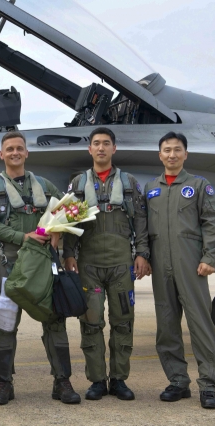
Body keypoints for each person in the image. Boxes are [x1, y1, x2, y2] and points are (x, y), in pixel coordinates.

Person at [0, 131, 81, 405]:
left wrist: (60, 233)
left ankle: (62, 382)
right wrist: (22, 237)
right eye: (9, 149)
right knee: (5, 325)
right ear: (2, 154)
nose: (15, 152)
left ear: (26, 153)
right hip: (9, 266)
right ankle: (4, 384)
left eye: (19, 148)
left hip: (43, 266)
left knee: (54, 321)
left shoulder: (45, 186)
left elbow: (69, 212)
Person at [63, 127, 150, 401]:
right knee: (91, 323)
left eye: (106, 144)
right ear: (89, 149)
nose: (101, 148)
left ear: (114, 149)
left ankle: (120, 380)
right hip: (89, 266)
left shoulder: (128, 182)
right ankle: (98, 380)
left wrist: (142, 254)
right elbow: (68, 223)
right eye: (96, 144)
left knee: (123, 323)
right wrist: (69, 254)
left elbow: (140, 222)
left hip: (121, 266)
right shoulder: (77, 184)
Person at [144, 131, 215, 409]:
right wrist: (143, 256)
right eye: (166, 150)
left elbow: (212, 221)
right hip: (160, 262)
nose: (172, 155)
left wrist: (210, 256)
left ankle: (208, 385)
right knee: (166, 325)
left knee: (200, 323)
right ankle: (178, 381)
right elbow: (143, 228)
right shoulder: (150, 188)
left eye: (177, 150)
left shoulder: (199, 185)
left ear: (185, 154)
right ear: (160, 155)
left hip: (191, 263)